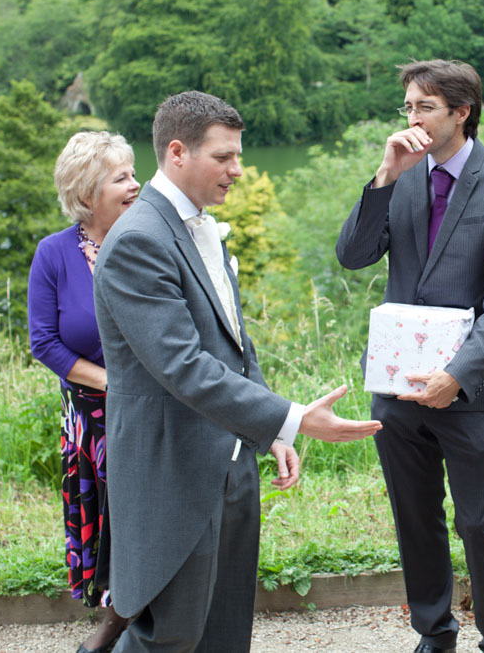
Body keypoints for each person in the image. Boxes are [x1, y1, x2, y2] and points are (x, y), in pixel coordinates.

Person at [93, 91, 381, 652]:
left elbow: (234, 347)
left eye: (238, 156)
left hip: (230, 466)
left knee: (224, 634)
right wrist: (294, 418)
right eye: (224, 157)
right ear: (177, 153)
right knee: (167, 637)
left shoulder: (202, 229)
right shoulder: (138, 241)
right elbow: (184, 367)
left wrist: (270, 430)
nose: (238, 170)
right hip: (172, 473)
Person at [336, 59, 484, 653]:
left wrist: (457, 374)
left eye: (424, 107)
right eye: (408, 107)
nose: (412, 118)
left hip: (468, 391)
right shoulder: (400, 176)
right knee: (415, 519)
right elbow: (353, 256)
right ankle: (434, 632)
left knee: (478, 524)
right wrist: (384, 175)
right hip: (397, 389)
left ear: (461, 112)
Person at [28, 131, 139, 653]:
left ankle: (119, 625)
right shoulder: (53, 254)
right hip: (90, 420)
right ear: (88, 191)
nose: (136, 185)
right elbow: (44, 342)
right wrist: (110, 382)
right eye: (121, 177)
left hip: (149, 411)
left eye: (134, 173)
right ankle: (120, 614)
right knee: (110, 523)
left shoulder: (146, 242)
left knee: (140, 519)